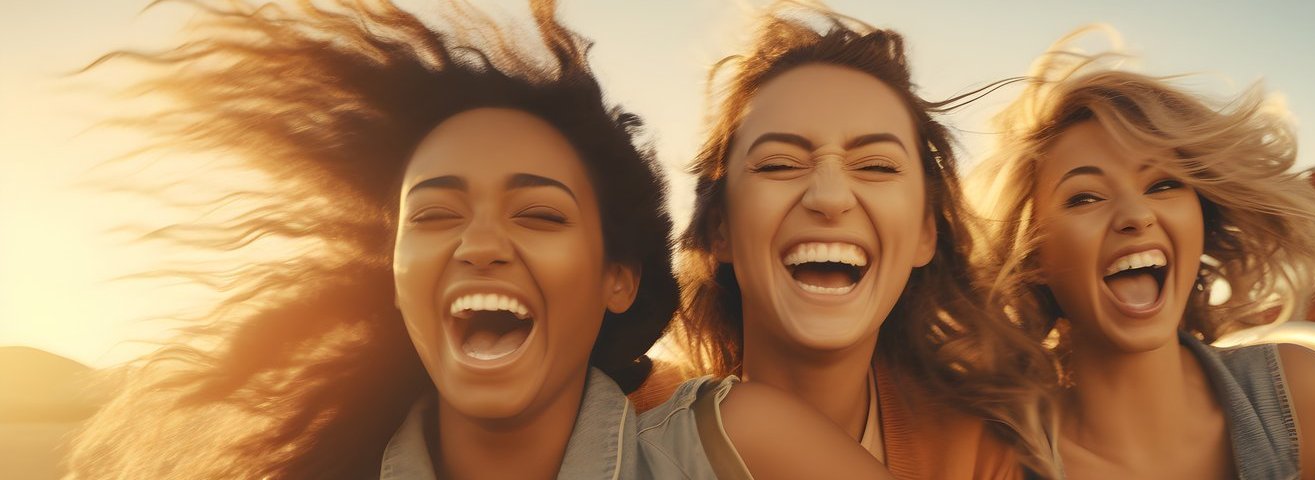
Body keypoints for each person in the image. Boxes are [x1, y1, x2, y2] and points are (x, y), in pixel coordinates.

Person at [65, 1, 682, 478]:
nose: (480, 243)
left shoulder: (724, 451)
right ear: (392, 275)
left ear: (618, 280)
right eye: (435, 214)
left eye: (541, 215)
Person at [968, 26, 1315, 479]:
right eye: (1085, 197)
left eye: (1163, 184)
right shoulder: (989, 461)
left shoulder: (1301, 395)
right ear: (1033, 256)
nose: (1137, 215)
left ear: (1202, 218)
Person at [641, 3, 1058, 478]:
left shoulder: (978, 453)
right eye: (779, 164)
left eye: (877, 166)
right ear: (721, 230)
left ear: (925, 234)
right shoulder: (624, 429)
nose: (830, 196)